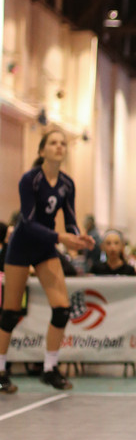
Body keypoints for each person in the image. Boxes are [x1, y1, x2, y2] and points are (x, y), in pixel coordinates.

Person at [0, 128, 95, 393]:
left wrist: (79, 237)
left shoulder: (67, 183)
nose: (59, 146)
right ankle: (1, 370)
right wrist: (61, 237)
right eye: (53, 143)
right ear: (42, 150)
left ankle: (50, 369)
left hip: (45, 248)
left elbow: (71, 220)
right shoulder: (30, 179)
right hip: (21, 246)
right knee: (10, 313)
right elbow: (29, 222)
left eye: (63, 143)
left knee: (62, 308)